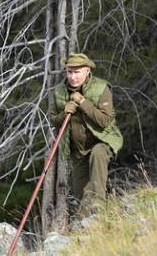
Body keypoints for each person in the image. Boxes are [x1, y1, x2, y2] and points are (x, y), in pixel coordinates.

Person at [50, 53, 123, 216]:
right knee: (80, 194)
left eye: (77, 72)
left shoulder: (101, 88)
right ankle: (88, 225)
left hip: (102, 142)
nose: (73, 76)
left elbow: (105, 120)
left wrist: (83, 103)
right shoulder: (60, 91)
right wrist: (64, 113)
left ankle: (99, 206)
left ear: (87, 71)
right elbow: (54, 120)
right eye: (69, 72)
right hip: (78, 151)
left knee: (97, 154)